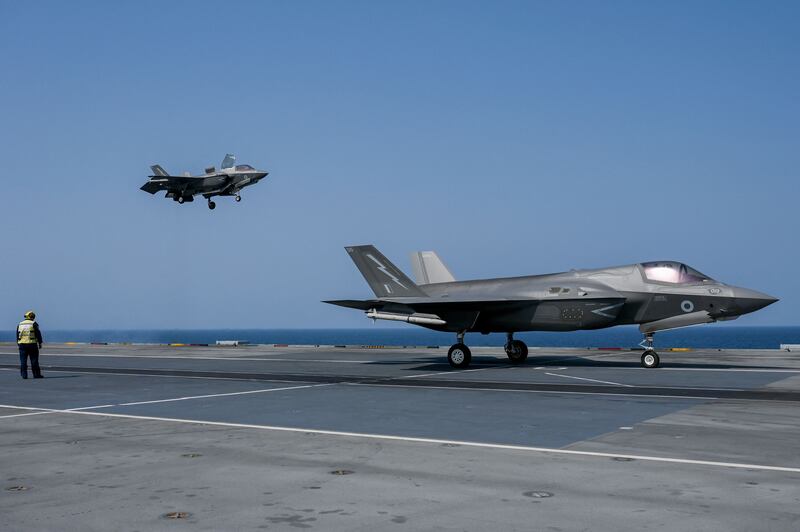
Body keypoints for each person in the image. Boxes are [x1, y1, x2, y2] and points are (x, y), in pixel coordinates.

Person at [17, 311, 43, 379]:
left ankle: (24, 375)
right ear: (32, 317)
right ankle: (36, 375)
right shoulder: (33, 323)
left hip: (22, 345)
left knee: (23, 361)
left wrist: (18, 343)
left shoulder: (20, 324)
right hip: (32, 344)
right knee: (34, 360)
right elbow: (38, 334)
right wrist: (40, 343)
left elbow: (17, 335)